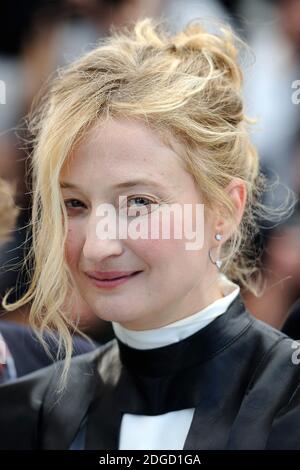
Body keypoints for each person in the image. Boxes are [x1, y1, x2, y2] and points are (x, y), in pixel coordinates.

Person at [0, 17, 299, 450]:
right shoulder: (27, 417)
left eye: (138, 203)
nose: (98, 247)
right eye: (75, 205)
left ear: (224, 211)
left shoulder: (288, 402)